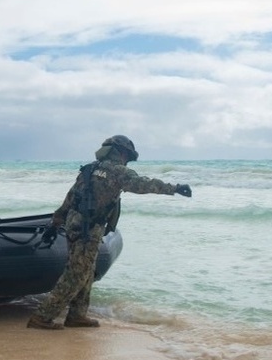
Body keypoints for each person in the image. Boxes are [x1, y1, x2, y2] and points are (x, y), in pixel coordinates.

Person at [27, 135, 193, 331]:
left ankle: (77, 315)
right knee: (77, 273)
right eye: (127, 156)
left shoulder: (89, 169)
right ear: (122, 153)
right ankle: (42, 316)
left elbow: (71, 197)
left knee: (85, 270)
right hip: (89, 228)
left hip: (75, 223)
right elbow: (143, 185)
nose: (127, 159)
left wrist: (56, 222)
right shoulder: (118, 172)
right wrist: (174, 188)